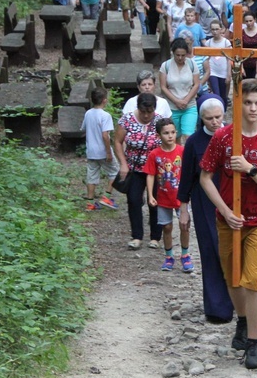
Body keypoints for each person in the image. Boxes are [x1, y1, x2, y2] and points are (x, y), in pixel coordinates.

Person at [199, 78, 257, 369]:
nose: (253, 108)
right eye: (247, 102)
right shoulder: (223, 136)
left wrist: (250, 169)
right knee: (232, 277)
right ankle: (243, 320)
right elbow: (205, 178)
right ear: (238, 104)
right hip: (229, 219)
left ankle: (253, 342)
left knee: (253, 279)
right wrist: (224, 210)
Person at [178, 95, 234, 322]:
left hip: (232, 199)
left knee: (233, 250)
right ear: (201, 118)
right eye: (209, 118)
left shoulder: (233, 136)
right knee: (211, 250)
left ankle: (238, 301)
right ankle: (217, 307)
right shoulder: (194, 142)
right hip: (204, 203)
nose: (214, 122)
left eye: (218, 117)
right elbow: (187, 178)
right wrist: (183, 208)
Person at [114, 93, 164, 250]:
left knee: (155, 201)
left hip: (155, 170)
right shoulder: (127, 120)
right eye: (143, 111)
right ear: (138, 108)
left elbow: (168, 141)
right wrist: (123, 163)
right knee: (134, 200)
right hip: (134, 168)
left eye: (150, 112)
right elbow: (117, 141)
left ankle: (156, 236)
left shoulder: (159, 121)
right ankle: (137, 236)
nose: (147, 115)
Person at [144, 118, 194, 272]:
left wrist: (191, 191)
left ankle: (185, 255)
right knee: (166, 227)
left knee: (184, 225)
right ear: (159, 135)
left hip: (181, 197)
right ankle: (169, 256)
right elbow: (150, 174)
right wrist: (150, 195)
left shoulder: (182, 151)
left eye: (172, 132)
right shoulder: (154, 154)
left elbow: (189, 172)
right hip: (163, 198)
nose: (170, 136)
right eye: (166, 133)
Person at [82, 87, 120, 211]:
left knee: (91, 175)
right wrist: (109, 152)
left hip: (91, 151)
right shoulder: (105, 115)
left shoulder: (88, 113)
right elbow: (105, 135)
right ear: (104, 100)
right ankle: (106, 196)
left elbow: (83, 129)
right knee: (115, 171)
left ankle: (90, 203)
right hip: (102, 151)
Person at [159, 37, 201, 144]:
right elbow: (163, 87)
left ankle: (188, 158)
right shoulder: (166, 66)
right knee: (174, 138)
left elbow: (196, 84)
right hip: (172, 107)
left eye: (183, 55)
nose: (180, 57)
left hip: (189, 106)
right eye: (177, 55)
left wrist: (186, 100)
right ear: (173, 53)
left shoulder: (192, 64)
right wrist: (177, 101)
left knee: (189, 136)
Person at [202, 20, 232, 107]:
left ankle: (223, 110)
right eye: (212, 29)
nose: (214, 32)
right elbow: (206, 59)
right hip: (213, 71)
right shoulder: (208, 43)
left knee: (223, 94)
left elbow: (229, 59)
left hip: (223, 71)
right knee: (216, 93)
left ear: (221, 29)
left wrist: (228, 74)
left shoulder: (226, 42)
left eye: (216, 29)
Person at [240, 11, 257, 79]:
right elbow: (238, 50)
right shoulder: (241, 33)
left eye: (250, 21)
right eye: (246, 21)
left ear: (255, 20)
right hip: (245, 64)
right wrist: (241, 67)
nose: (249, 23)